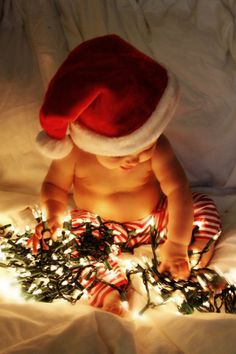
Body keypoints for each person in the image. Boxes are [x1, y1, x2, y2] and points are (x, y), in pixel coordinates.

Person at [33, 34, 221, 315]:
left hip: (153, 220)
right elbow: (53, 186)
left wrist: (178, 242)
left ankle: (191, 257)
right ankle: (107, 292)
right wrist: (53, 213)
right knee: (75, 251)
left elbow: (177, 191)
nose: (134, 160)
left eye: (145, 147)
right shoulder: (74, 153)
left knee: (202, 206)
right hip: (99, 230)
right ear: (92, 140)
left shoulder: (159, 146)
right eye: (120, 153)